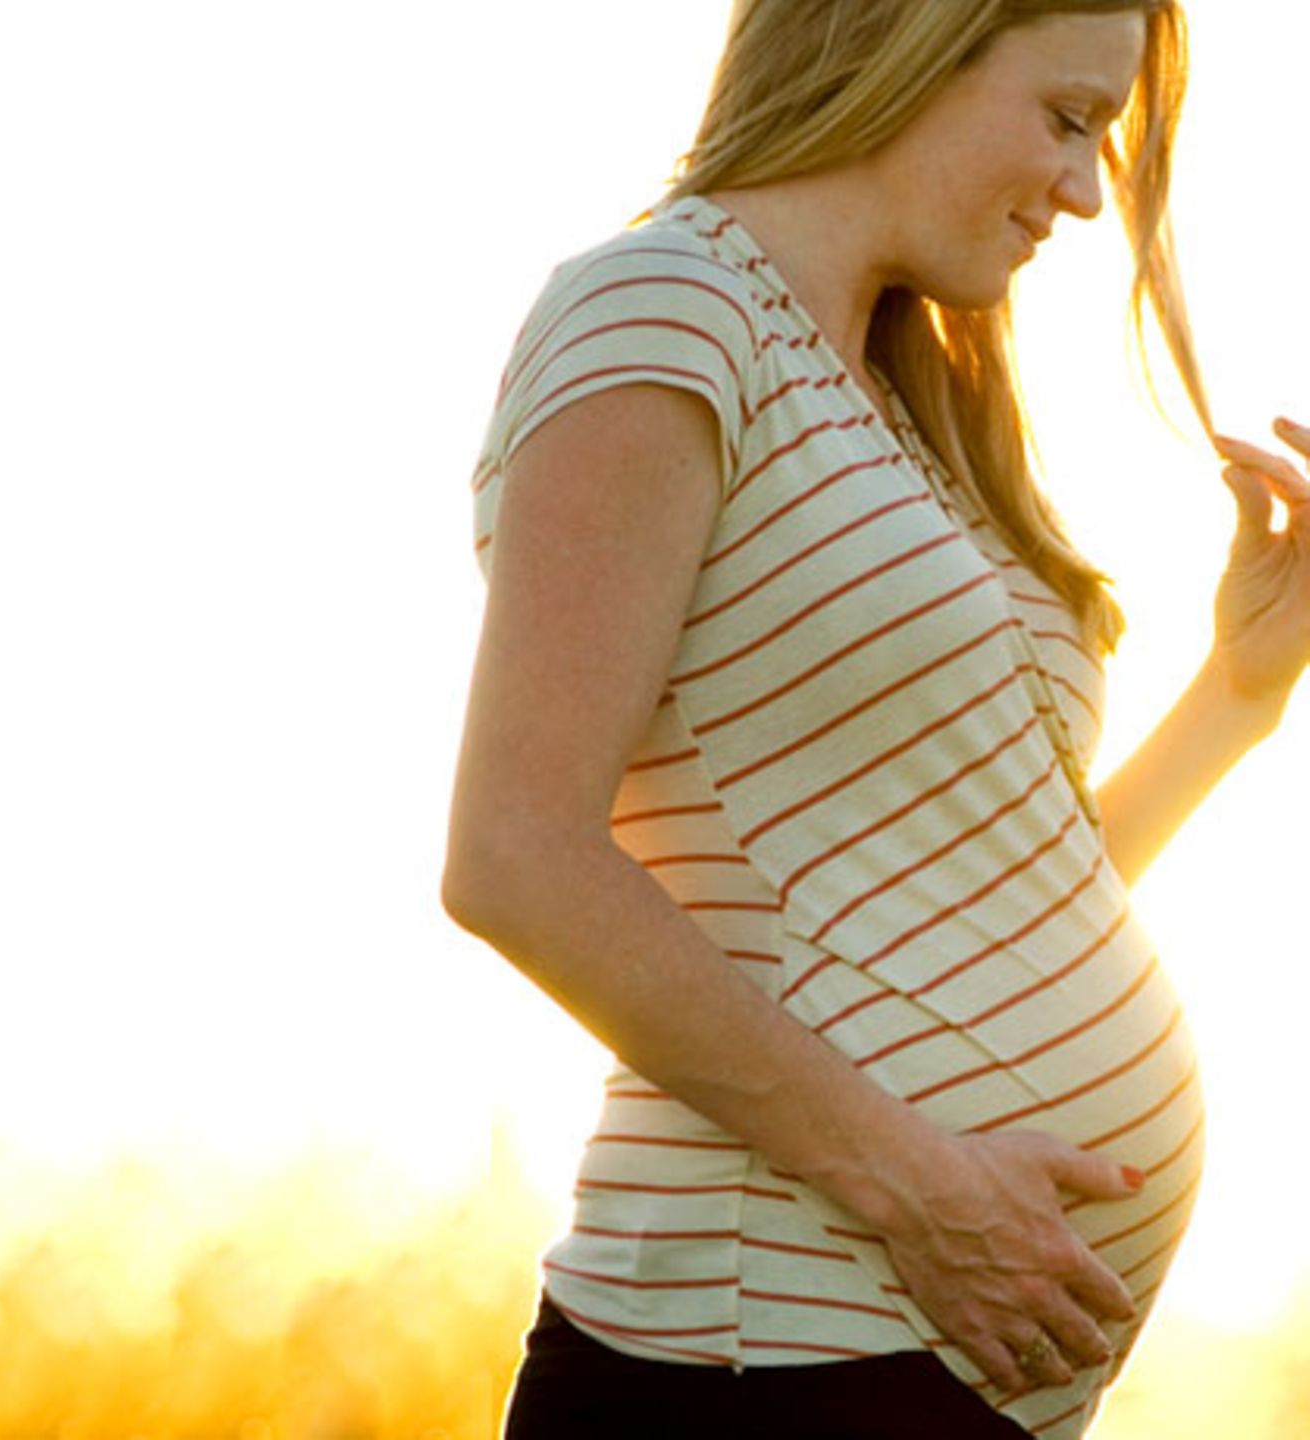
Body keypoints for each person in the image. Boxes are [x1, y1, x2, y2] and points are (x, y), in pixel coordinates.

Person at [443, 1, 1310, 1435]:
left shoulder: (893, 396)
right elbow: (516, 857)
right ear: (907, 43)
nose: (1088, 193)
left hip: (900, 1366)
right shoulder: (668, 310)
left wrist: (1238, 694)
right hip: (754, 1354)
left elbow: (982, 898)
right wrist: (917, 1187)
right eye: (1068, 119)